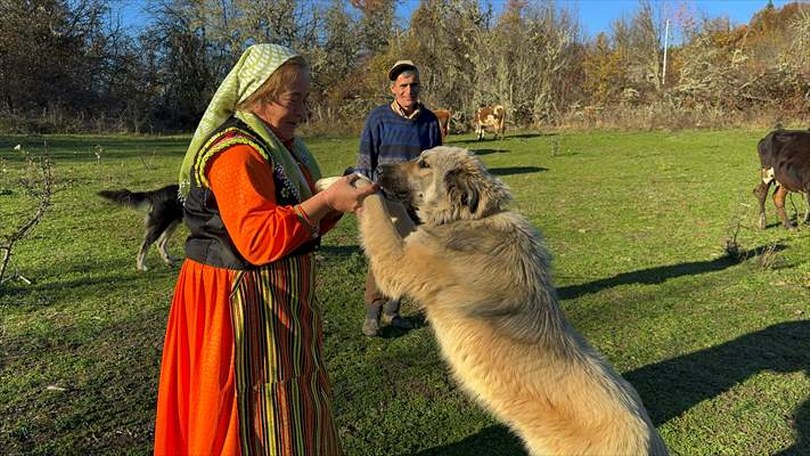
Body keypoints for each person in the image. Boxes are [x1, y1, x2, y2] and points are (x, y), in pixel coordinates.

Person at [154, 43, 376, 455]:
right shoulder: (237, 153)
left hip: (276, 297)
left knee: (289, 395)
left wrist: (337, 202)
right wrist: (326, 201)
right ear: (260, 96)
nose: (304, 112)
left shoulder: (280, 147)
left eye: (306, 99)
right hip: (237, 303)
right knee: (253, 405)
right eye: (295, 99)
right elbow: (257, 239)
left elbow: (297, 221)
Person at [355, 59, 443, 336]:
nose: (409, 91)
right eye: (403, 85)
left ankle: (393, 311)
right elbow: (365, 159)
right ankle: (373, 312)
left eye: (413, 85)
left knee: (411, 253)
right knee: (384, 254)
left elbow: (436, 164)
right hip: (384, 197)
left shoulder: (429, 121)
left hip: (416, 201)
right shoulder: (378, 118)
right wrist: (364, 197)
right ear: (393, 88)